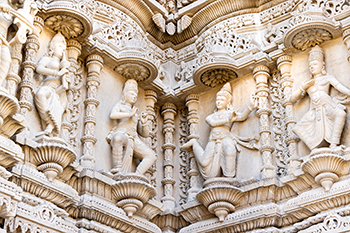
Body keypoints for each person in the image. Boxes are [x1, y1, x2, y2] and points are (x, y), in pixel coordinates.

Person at [181, 82, 258, 180]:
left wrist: (251, 107)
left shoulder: (230, 113)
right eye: (218, 99)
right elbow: (212, 123)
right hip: (213, 140)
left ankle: (229, 179)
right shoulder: (211, 116)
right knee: (205, 163)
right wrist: (228, 120)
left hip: (226, 138)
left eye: (222, 99)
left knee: (230, 151)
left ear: (227, 102)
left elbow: (242, 117)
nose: (219, 101)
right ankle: (194, 143)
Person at [291, 45, 350, 150]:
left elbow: (340, 87)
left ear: (322, 65)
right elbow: (292, 99)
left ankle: (333, 144)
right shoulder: (308, 83)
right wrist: (302, 87)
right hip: (314, 110)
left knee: (340, 114)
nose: (312, 67)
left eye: (314, 64)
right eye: (310, 65)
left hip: (327, 105)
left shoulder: (327, 78)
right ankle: (313, 147)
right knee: (297, 128)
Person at [106, 79, 156, 175]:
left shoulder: (135, 112)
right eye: (132, 94)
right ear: (125, 94)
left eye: (136, 95)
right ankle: (117, 167)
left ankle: (137, 174)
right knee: (117, 138)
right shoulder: (121, 106)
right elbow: (112, 115)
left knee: (151, 156)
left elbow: (145, 134)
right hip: (123, 133)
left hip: (134, 138)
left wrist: (144, 123)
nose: (135, 97)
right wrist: (129, 114)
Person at [35, 32, 70, 136]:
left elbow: (67, 84)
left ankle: (51, 125)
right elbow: (39, 68)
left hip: (59, 91)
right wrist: (57, 73)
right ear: (52, 47)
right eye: (59, 46)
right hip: (48, 86)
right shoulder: (47, 59)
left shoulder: (63, 65)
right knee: (40, 95)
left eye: (64, 49)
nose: (62, 50)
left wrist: (67, 80)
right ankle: (49, 122)